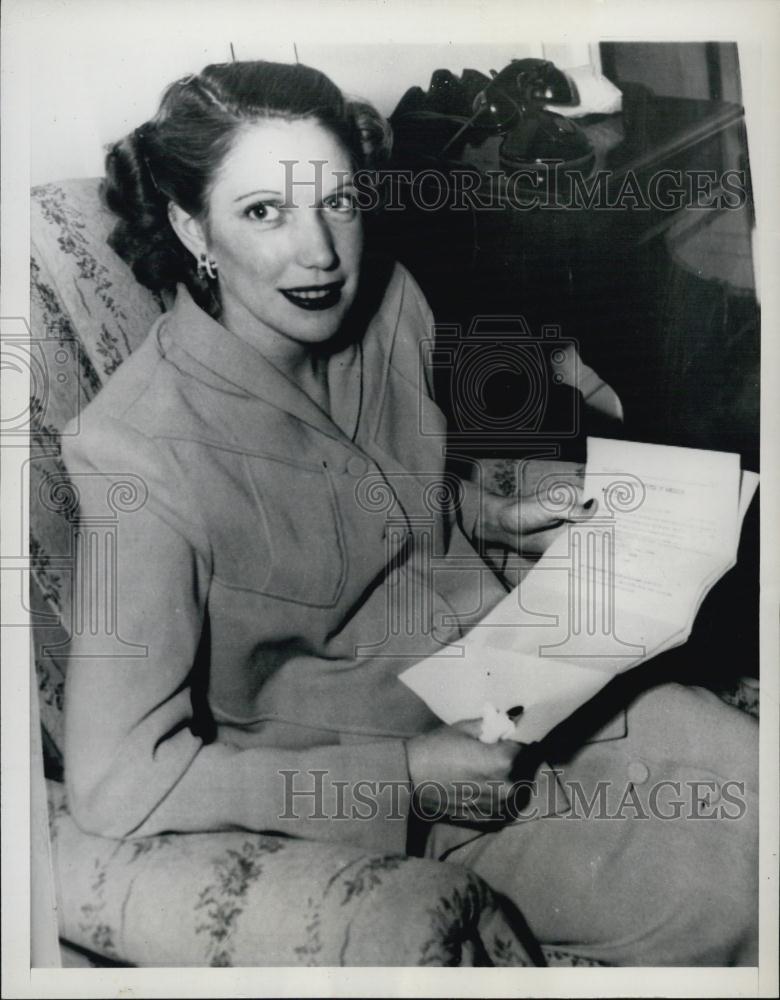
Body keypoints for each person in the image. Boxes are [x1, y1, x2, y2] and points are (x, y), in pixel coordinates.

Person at [61, 60, 758, 966]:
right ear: (194, 228)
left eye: (338, 202)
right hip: (412, 797)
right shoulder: (140, 454)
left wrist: (488, 513)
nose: (319, 253)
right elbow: (114, 783)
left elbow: (355, 496)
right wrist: (403, 779)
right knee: (736, 894)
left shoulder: (391, 305)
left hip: (525, 681)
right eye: (264, 212)